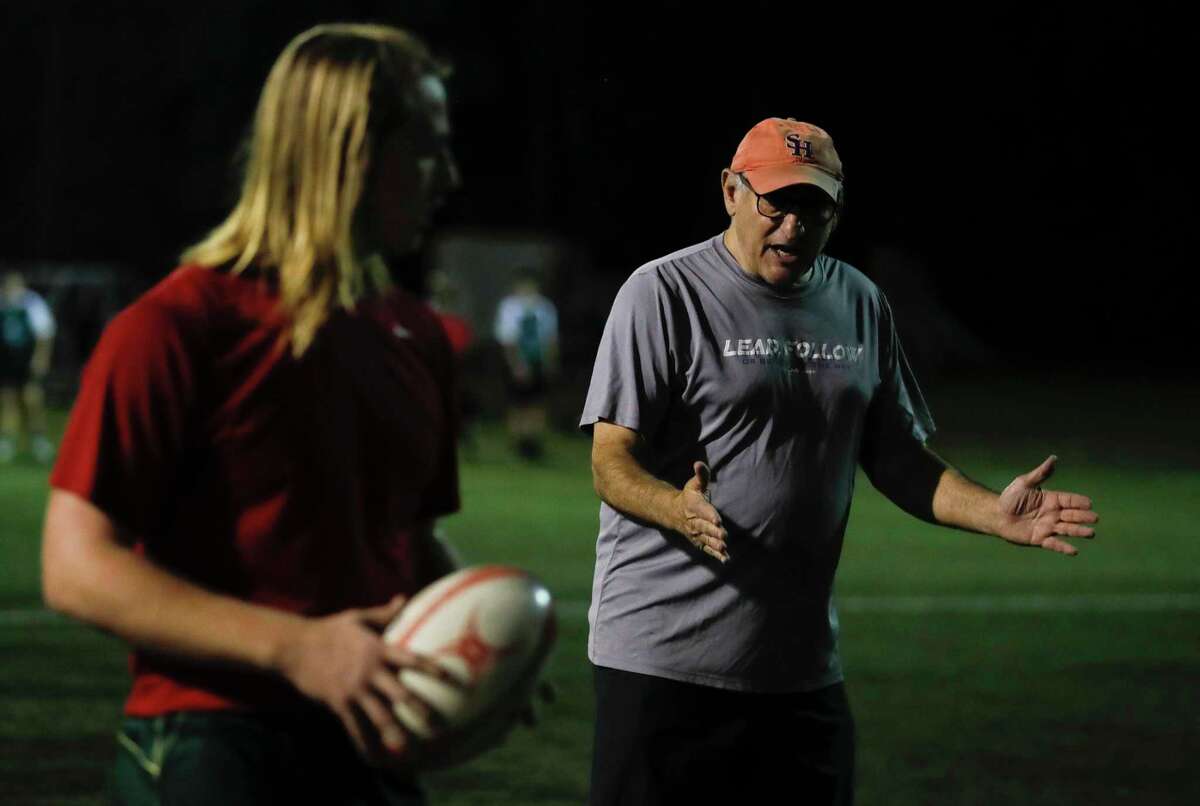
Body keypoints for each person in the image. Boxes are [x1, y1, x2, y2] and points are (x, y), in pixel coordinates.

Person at [579, 118, 1100, 806]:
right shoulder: (662, 293)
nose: (795, 225)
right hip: (662, 666)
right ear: (732, 191)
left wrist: (992, 513)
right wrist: (675, 507)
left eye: (815, 207)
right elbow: (610, 462)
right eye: (777, 202)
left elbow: (896, 459)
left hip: (799, 673)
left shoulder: (858, 302)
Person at [41, 24, 465, 806]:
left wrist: (479, 636)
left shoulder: (416, 335)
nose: (450, 175)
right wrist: (296, 648)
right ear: (351, 149)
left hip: (367, 737)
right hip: (211, 743)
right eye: (430, 147)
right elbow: (75, 568)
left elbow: (410, 539)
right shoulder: (179, 325)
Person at [494, 273, 558, 459]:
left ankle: (534, 443)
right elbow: (507, 339)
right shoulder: (509, 307)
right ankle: (518, 443)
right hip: (517, 360)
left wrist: (550, 361)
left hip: (538, 359)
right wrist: (516, 364)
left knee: (537, 403)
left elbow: (551, 337)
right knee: (517, 404)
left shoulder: (545, 307)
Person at [1, 271, 56, 464]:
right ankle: (7, 442)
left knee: (32, 398)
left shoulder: (32, 303)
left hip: (27, 359)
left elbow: (45, 333)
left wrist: (41, 358)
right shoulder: (2, 303)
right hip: (6, 360)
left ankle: (39, 441)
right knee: (8, 400)